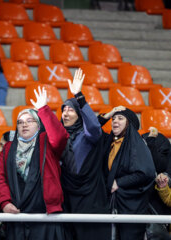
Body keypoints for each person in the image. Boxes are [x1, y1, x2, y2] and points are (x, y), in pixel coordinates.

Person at [0, 86, 69, 240]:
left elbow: (60, 137)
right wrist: (4, 202)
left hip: (46, 214)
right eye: (20, 122)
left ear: (39, 124)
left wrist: (43, 109)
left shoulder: (46, 142)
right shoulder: (8, 148)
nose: (24, 125)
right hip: (17, 212)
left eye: (30, 121)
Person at [59, 69, 110, 240]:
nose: (65, 113)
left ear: (79, 115)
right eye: (63, 110)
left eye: (70, 110)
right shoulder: (60, 136)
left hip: (89, 198)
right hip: (66, 197)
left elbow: (95, 127)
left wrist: (79, 96)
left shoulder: (87, 135)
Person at [99, 106, 156, 240]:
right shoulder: (109, 142)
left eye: (120, 118)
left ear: (129, 123)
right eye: (113, 119)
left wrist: (118, 182)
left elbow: (146, 173)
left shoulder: (137, 144)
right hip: (111, 204)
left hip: (132, 206)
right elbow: (92, 128)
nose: (114, 121)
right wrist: (109, 114)